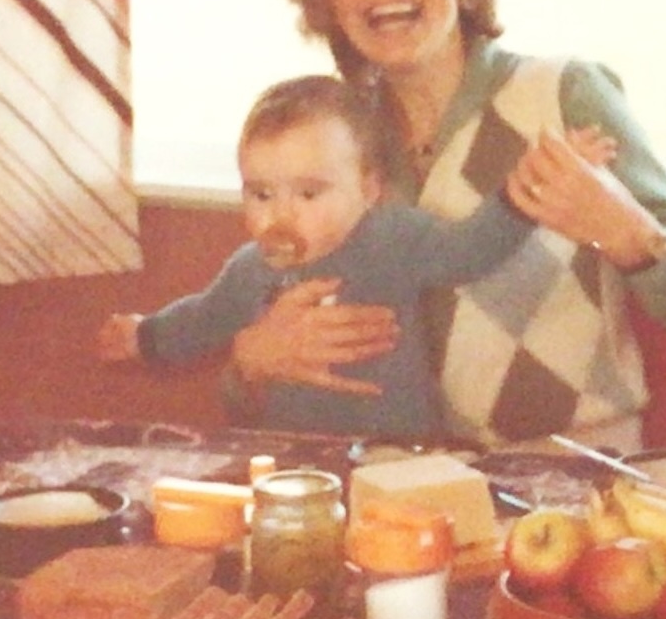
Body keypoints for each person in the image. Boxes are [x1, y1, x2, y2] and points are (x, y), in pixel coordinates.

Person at [228, 0, 666, 449]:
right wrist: (249, 359)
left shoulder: (563, 95)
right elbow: (246, 397)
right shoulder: (332, 139)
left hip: (576, 476)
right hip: (394, 488)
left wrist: (629, 233)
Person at [98, 75, 535, 439]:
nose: (281, 213)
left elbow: (469, 252)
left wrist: (522, 196)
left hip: (397, 451)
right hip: (292, 457)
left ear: (368, 190)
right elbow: (201, 321)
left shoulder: (392, 237)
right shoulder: (250, 268)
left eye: (309, 193)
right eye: (261, 193)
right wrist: (144, 336)